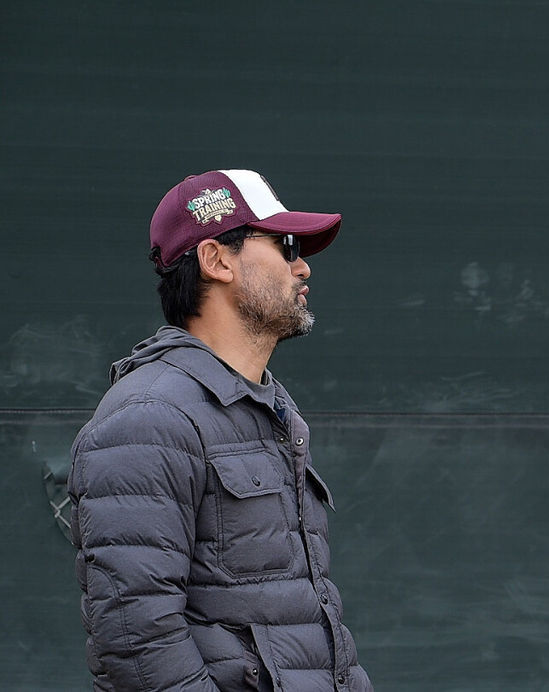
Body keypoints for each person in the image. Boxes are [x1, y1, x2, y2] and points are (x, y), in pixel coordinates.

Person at [69, 169, 372, 691]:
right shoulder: (149, 418)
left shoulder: (269, 409)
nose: (303, 267)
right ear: (216, 260)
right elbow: (137, 647)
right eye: (286, 245)